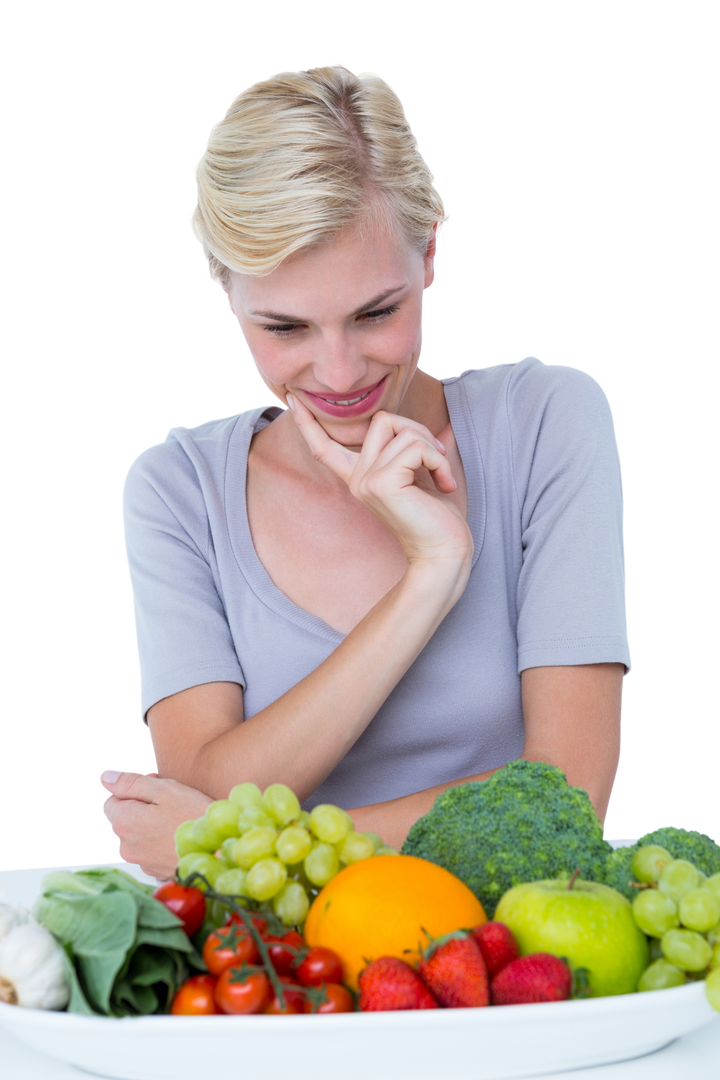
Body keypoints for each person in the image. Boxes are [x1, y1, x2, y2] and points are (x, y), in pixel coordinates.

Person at [101, 60, 632, 882]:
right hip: (276, 991)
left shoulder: (547, 422)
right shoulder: (178, 491)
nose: (340, 372)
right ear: (224, 293)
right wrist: (428, 579)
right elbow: (200, 787)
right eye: (284, 327)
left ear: (428, 255)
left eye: (375, 313)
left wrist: (266, 844)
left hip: (509, 984)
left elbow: (565, 800)